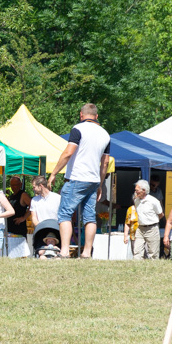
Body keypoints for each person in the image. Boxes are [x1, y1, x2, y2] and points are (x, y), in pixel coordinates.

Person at [47, 103, 110, 258]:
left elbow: (69, 152)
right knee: (90, 216)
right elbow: (106, 162)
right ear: (96, 116)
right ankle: (87, 252)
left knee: (64, 214)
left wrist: (54, 172)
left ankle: (64, 251)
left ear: (81, 115)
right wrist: (100, 184)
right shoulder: (105, 134)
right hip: (93, 180)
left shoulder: (78, 129)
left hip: (77, 178)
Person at [131, 179, 165, 260]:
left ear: (144, 190)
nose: (135, 192)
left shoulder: (153, 201)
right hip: (140, 229)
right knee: (137, 252)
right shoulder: (136, 200)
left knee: (153, 253)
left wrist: (152, 222)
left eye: (137, 190)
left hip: (152, 229)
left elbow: (161, 214)